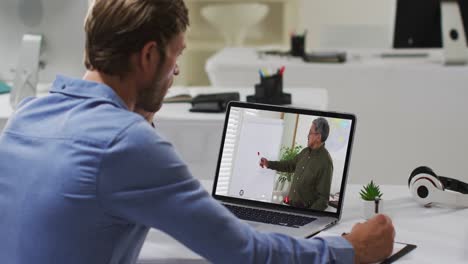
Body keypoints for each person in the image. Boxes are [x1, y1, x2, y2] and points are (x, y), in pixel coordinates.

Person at [0, 0, 395, 263]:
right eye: (177, 56)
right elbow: (243, 252)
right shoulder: (127, 143)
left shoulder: (28, 116)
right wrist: (349, 250)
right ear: (149, 55)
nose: (175, 72)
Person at [260, 118, 333, 210]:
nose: (308, 135)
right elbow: (289, 165)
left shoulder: (325, 162)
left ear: (318, 137)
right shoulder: (305, 152)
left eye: (310, 132)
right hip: (289, 206)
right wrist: (268, 164)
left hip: (303, 212)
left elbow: (323, 200)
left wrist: (307, 215)